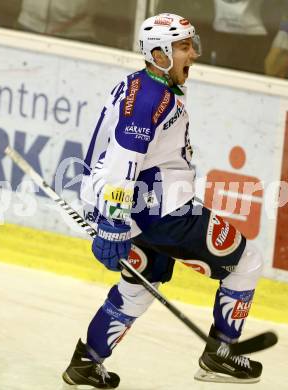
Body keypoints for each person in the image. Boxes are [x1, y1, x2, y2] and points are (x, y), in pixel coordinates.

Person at [62, 13, 264, 388]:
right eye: (184, 47)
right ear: (158, 52)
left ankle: (87, 363)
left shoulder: (144, 86)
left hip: (139, 210)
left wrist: (114, 218)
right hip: (161, 211)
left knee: (139, 287)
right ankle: (219, 354)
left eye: (191, 45)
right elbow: (124, 160)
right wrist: (114, 222)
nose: (193, 54)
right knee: (246, 262)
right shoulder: (149, 99)